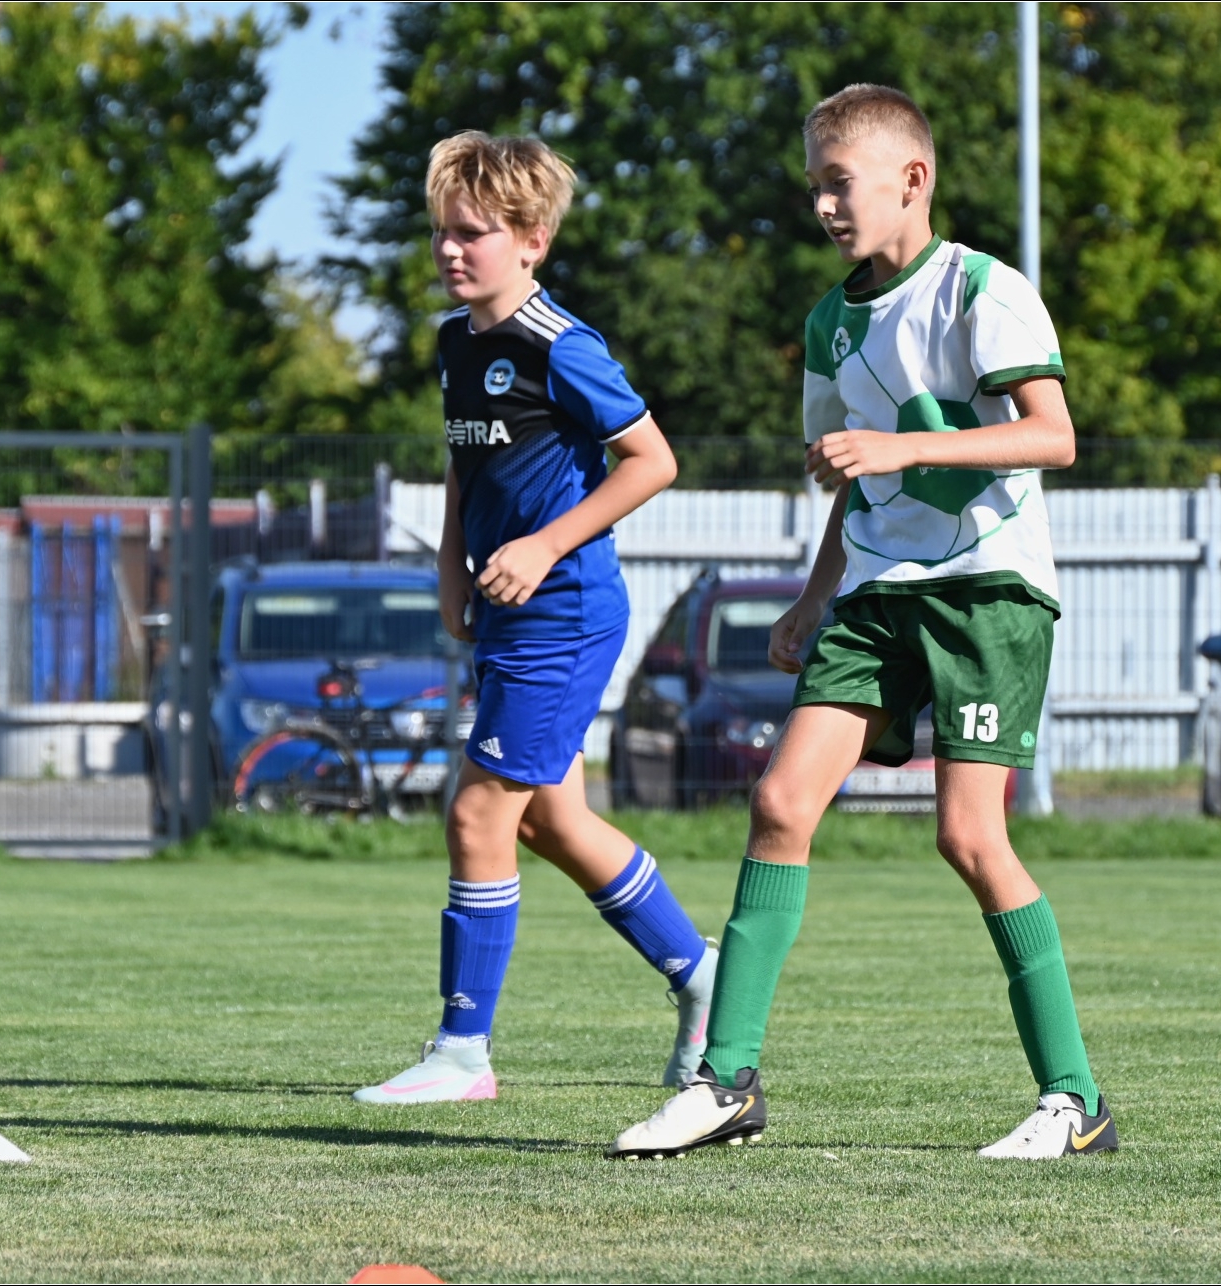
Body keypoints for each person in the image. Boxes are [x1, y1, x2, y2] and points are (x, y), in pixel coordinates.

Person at [607, 85, 1115, 1159]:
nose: (825, 205)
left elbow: (1053, 437)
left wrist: (901, 447)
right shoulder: (829, 324)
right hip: (876, 594)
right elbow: (852, 479)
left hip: (986, 589)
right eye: (814, 187)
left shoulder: (982, 288)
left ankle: (1075, 1102)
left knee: (968, 836)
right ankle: (726, 1081)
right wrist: (813, 593)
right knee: (780, 800)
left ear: (911, 179)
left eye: (840, 182)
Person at [355, 132, 716, 1105]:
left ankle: (462, 1052)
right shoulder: (455, 341)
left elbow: (653, 460)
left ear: (532, 240)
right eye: (442, 230)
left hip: (564, 612)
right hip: (507, 614)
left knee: (478, 813)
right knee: (553, 821)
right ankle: (702, 976)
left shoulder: (561, 343)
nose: (450, 249)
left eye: (472, 232)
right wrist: (450, 568)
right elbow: (464, 463)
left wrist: (543, 546)